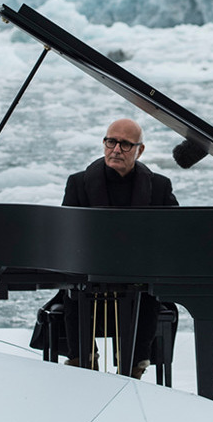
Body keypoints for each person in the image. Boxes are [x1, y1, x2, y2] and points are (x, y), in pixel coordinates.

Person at [33, 118, 178, 377]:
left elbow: (175, 236)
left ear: (139, 150)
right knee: (73, 294)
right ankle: (84, 367)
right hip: (89, 284)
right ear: (104, 143)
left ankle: (134, 371)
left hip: (138, 285)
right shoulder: (78, 183)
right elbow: (67, 238)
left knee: (150, 295)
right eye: (111, 141)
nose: (116, 149)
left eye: (125, 144)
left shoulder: (158, 186)